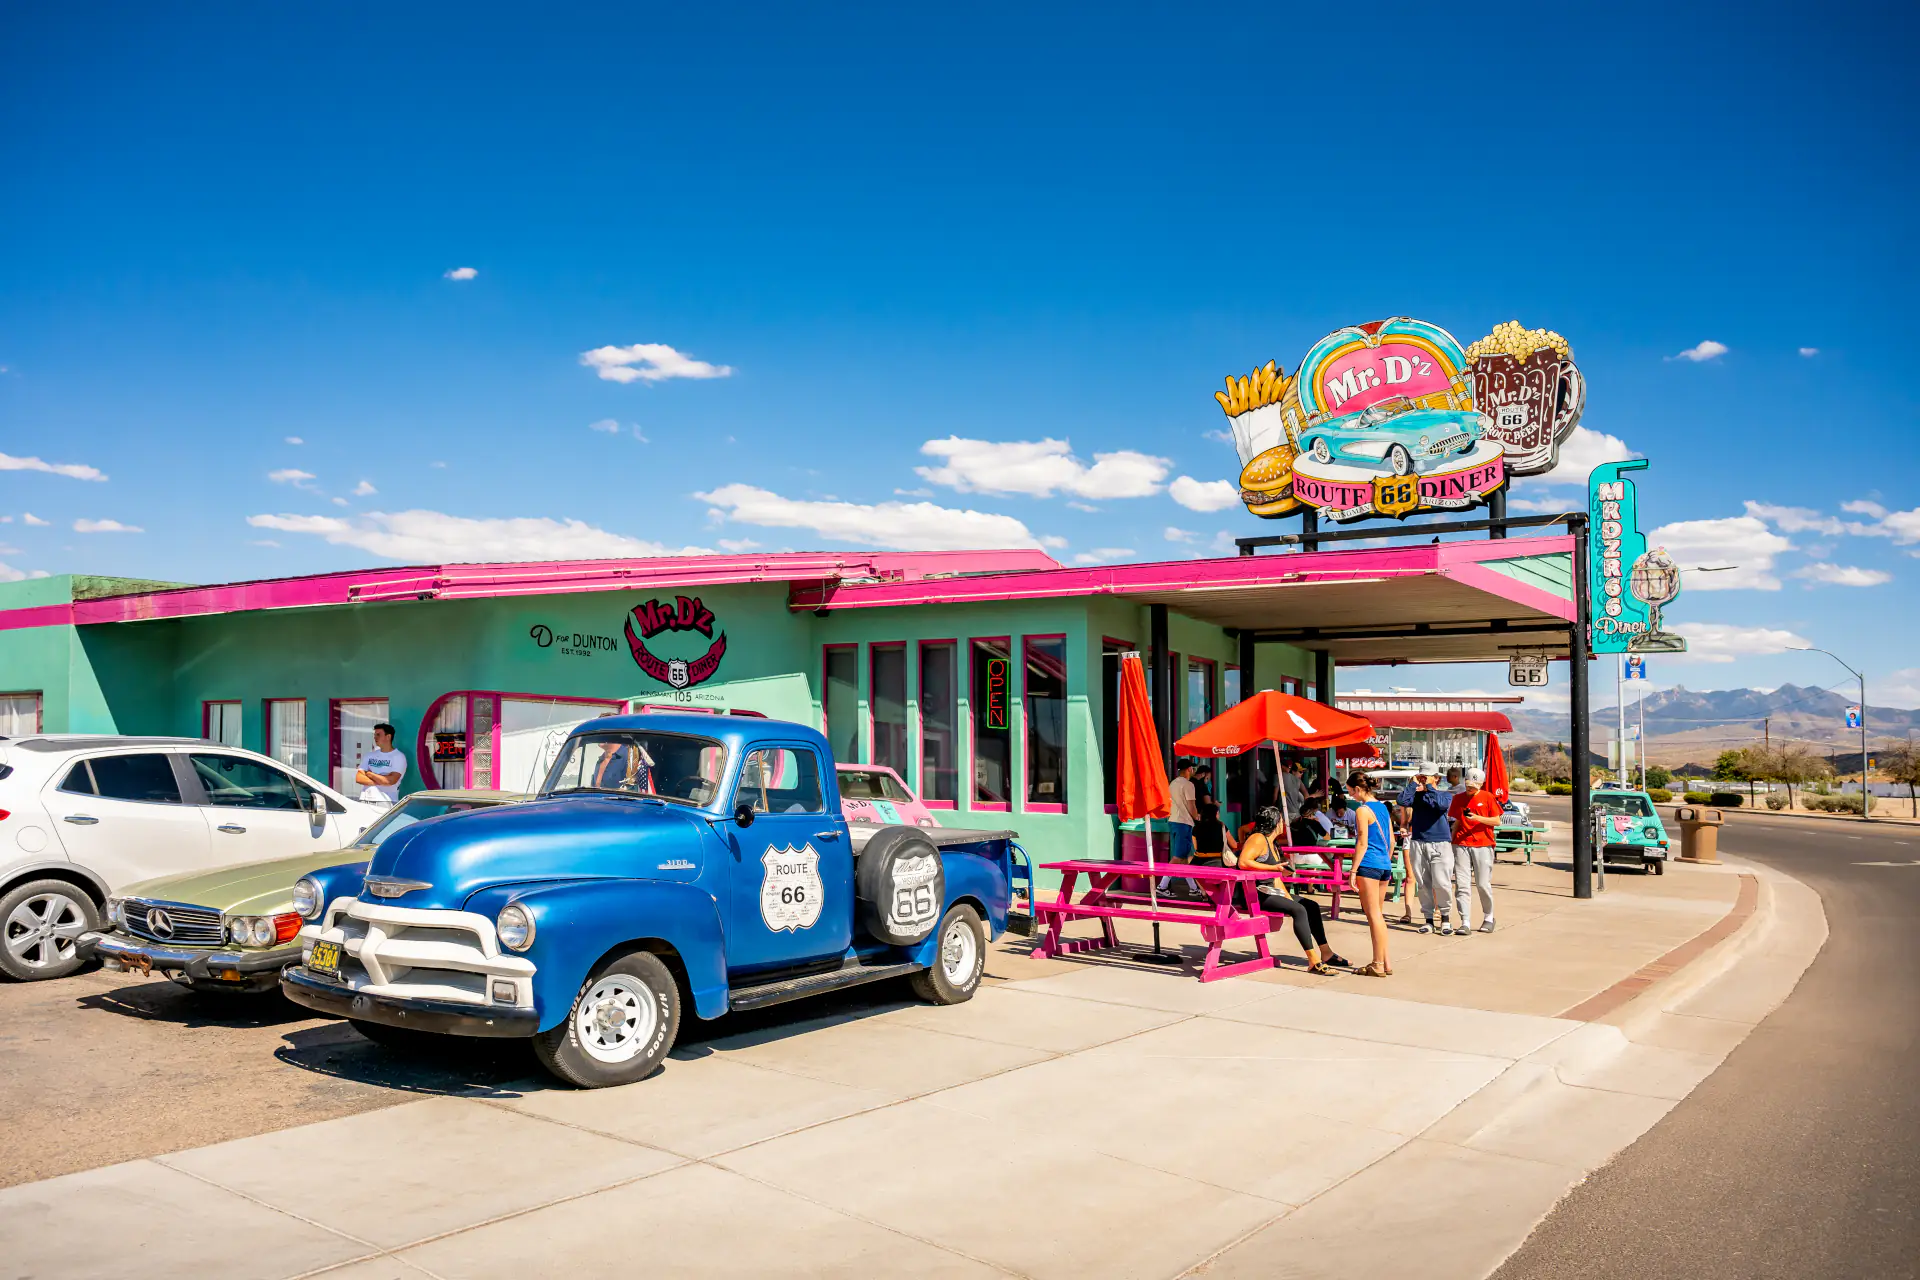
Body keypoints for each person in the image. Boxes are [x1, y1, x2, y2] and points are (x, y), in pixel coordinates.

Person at [1238, 806, 1348, 974]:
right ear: (1275, 822)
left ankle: (1326, 953)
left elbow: (1276, 878)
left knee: (1311, 906)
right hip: (1255, 894)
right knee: (1299, 910)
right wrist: (1274, 868)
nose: (1284, 823)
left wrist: (1287, 897)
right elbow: (1243, 862)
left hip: (1269, 891)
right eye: (1281, 820)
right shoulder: (1258, 838)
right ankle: (1313, 961)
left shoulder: (1271, 842)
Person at [1345, 772, 1394, 976]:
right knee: (1378, 916)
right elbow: (1392, 840)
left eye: (1351, 792)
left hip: (1369, 864)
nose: (1351, 796)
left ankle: (1378, 964)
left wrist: (1353, 870)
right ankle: (1385, 962)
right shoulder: (1382, 807)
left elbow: (1362, 842)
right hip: (1384, 865)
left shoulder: (1362, 810)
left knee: (1373, 915)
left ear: (1358, 789)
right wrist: (1385, 860)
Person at [1399, 769, 1457, 935]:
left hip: (1440, 842)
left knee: (1442, 882)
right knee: (1423, 883)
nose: (1423, 779)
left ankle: (1445, 919)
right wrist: (1413, 784)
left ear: (1436, 778)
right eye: (1422, 776)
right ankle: (1428, 920)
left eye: (1427, 776)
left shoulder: (1445, 795)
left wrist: (1430, 786)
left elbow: (1441, 805)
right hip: (1418, 842)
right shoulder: (1415, 796)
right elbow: (1402, 800)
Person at [1447, 766, 1502, 933]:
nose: (1470, 788)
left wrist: (1478, 818)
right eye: (1468, 785)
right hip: (1461, 844)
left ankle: (1489, 917)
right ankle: (1465, 921)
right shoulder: (1458, 798)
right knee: (1462, 884)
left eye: (1473, 786)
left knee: (1483, 884)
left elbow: (1497, 821)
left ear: (1481, 784)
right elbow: (1457, 821)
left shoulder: (1488, 797)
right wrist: (1451, 840)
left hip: (1483, 844)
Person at [355, 722, 407, 805]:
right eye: (375, 735)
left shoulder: (398, 756)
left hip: (386, 801)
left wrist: (370, 774)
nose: (375, 737)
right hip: (364, 799)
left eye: (378, 735)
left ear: (388, 737)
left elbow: (391, 780)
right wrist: (381, 780)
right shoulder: (370, 755)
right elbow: (359, 778)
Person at [1192, 800, 1238, 868]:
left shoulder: (1196, 827)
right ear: (1216, 814)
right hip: (1217, 861)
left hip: (1198, 861)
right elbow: (1234, 845)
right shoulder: (1221, 826)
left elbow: (1196, 847)